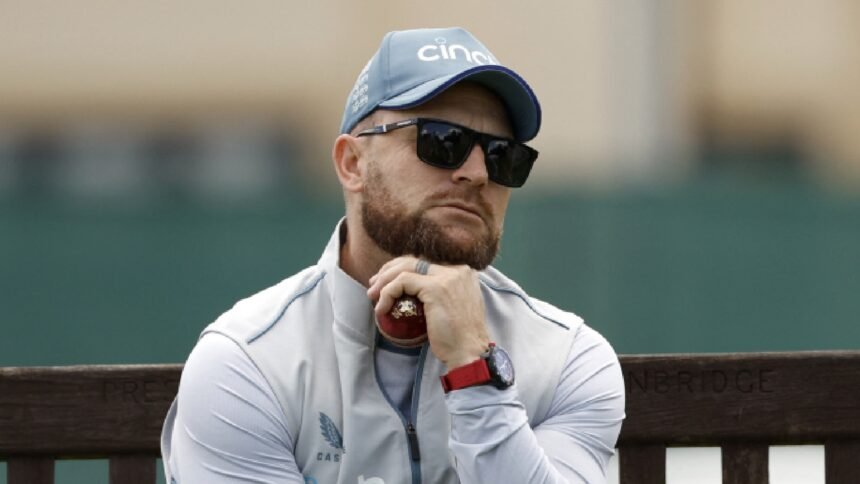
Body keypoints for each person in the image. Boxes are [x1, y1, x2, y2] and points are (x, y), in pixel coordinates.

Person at [161, 27, 625, 484]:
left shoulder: (568, 358)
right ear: (353, 164)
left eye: (503, 155)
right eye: (442, 140)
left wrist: (475, 367)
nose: (478, 172)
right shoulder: (247, 360)